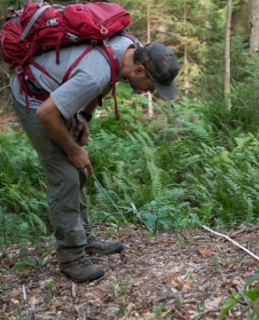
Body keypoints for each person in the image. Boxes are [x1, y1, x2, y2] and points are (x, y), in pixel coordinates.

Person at [9, 32, 179, 282]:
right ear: (140, 70)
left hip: (53, 95)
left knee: (76, 171)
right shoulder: (94, 74)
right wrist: (73, 150)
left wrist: (84, 117)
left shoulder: (129, 48)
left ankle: (83, 237)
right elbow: (47, 114)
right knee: (65, 175)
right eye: (152, 85)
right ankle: (70, 257)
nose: (151, 91)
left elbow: (108, 79)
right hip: (34, 99)